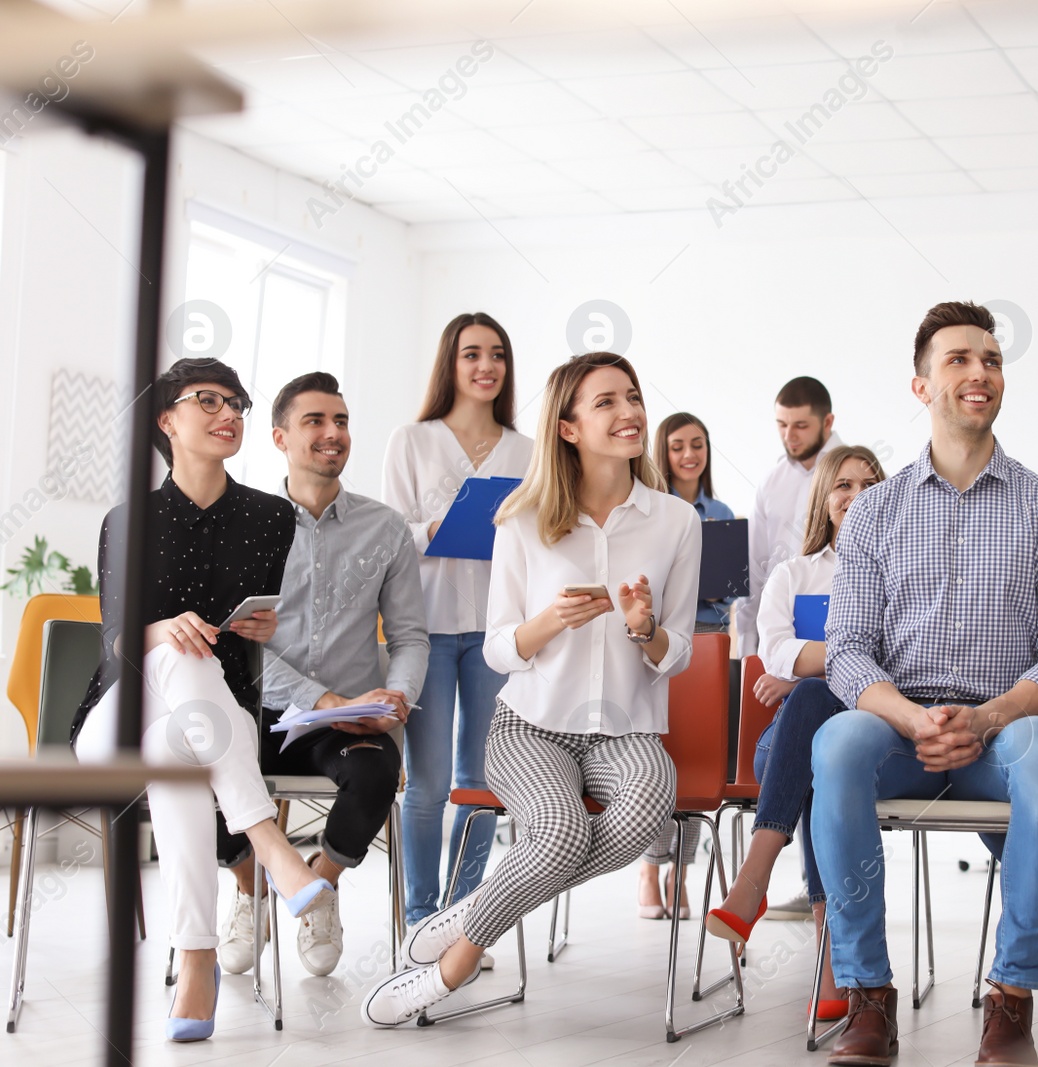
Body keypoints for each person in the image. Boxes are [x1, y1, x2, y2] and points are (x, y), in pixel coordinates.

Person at [362, 351, 701, 1027]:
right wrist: (548, 622)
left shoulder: (674, 521)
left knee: (645, 809)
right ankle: (451, 973)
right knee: (561, 831)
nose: (629, 411)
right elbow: (496, 646)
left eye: (632, 396)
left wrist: (644, 628)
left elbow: (679, 654)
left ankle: (470, 917)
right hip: (531, 726)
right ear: (569, 427)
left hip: (627, 728)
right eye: (606, 401)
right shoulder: (521, 517)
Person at [809, 302, 1038, 1067]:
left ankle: (1012, 996)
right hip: (902, 732)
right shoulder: (873, 514)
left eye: (992, 360)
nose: (980, 373)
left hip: (1004, 728)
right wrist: (910, 718)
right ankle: (868, 995)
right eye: (960, 359)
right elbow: (847, 651)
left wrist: (991, 715)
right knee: (835, 742)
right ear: (921, 383)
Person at [71, 358, 332, 1042]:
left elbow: (254, 627)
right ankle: (268, 840)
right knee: (176, 653)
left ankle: (197, 958)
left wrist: (259, 627)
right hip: (117, 714)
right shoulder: (129, 517)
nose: (231, 414)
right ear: (167, 420)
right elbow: (118, 636)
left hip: (205, 722)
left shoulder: (272, 517)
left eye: (238, 403)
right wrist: (167, 626)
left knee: (174, 746)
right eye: (209, 400)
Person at [212, 372, 429, 978]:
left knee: (377, 769)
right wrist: (319, 695)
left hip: (348, 721)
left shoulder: (384, 529)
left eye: (341, 421)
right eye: (315, 422)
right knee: (193, 767)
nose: (333, 434)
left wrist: (398, 695)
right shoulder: (244, 525)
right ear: (280, 437)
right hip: (256, 714)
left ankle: (318, 890)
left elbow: (410, 637)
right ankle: (253, 887)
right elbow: (235, 641)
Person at [705, 443, 887, 1022]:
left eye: (869, 484)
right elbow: (774, 651)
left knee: (822, 740)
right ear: (825, 498)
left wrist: (810, 670)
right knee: (816, 736)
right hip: (780, 748)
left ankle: (755, 880)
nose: (855, 496)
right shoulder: (795, 573)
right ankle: (833, 958)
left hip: (870, 740)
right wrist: (837, 663)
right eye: (844, 485)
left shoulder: (902, 576)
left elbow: (906, 660)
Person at [382, 313, 534, 940]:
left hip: (497, 632)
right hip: (425, 630)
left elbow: (538, 540)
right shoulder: (412, 441)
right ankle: (420, 920)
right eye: (471, 354)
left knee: (481, 782)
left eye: (496, 354)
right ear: (451, 364)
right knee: (428, 784)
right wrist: (437, 531)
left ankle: (462, 918)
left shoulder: (526, 452)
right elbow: (388, 536)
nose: (486, 367)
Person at [732, 376, 840, 920]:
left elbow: (877, 645)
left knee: (806, 744)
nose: (789, 435)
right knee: (796, 744)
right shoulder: (771, 483)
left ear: (827, 422)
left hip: (844, 693)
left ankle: (781, 885)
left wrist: (797, 673)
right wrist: (759, 657)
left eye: (800, 425)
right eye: (781, 425)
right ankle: (823, 907)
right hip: (789, 658)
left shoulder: (849, 475)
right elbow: (756, 577)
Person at [634, 412, 735, 920]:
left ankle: (681, 872)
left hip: (709, 638)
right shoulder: (650, 511)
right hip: (658, 641)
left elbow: (737, 589)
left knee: (698, 757)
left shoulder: (720, 512)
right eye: (677, 446)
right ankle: (650, 870)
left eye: (697, 444)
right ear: (662, 452)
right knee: (661, 754)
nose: (689, 454)